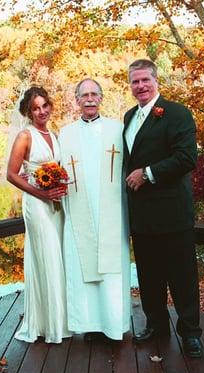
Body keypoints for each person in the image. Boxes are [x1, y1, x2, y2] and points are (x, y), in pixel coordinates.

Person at [123, 59, 202, 358]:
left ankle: (191, 333)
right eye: (135, 81)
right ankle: (156, 325)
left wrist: (148, 173)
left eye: (145, 80)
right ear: (130, 85)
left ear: (156, 80)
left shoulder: (177, 113)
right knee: (149, 276)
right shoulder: (130, 116)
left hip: (172, 214)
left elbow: (187, 158)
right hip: (141, 216)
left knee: (182, 277)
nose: (140, 86)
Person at [59, 78, 131, 340]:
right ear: (76, 100)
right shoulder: (65, 133)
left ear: (101, 98)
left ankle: (113, 324)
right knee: (82, 268)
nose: (89, 99)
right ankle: (90, 325)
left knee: (111, 272)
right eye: (84, 95)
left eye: (94, 94)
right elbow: (53, 169)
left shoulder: (117, 129)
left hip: (112, 212)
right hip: (80, 209)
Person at [6, 86, 72, 343]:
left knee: (58, 257)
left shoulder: (54, 135)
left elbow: (58, 167)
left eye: (45, 106)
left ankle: (61, 320)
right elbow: (11, 174)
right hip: (37, 204)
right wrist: (41, 193)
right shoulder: (25, 136)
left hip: (56, 204)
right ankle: (47, 326)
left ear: (50, 107)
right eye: (36, 108)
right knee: (46, 258)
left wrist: (60, 184)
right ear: (28, 111)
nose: (42, 111)